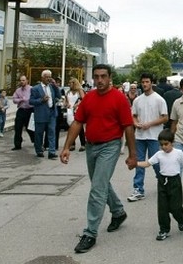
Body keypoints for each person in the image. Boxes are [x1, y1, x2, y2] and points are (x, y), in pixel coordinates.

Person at [59, 64, 137, 254]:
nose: (100, 80)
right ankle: (118, 212)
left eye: (103, 76)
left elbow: (128, 127)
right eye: (96, 77)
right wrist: (66, 146)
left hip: (110, 146)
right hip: (92, 147)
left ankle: (90, 233)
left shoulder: (119, 99)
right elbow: (78, 122)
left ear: (110, 77)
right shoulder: (89, 97)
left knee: (97, 189)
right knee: (99, 183)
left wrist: (132, 155)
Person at [137, 129, 183, 241]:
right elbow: (147, 163)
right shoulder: (159, 154)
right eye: (161, 145)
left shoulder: (178, 153)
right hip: (162, 181)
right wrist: (136, 163)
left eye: (166, 144)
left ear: (172, 142)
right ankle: (164, 229)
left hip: (175, 182)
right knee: (162, 208)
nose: (164, 147)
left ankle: (181, 220)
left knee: (175, 207)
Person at [128, 72, 169, 202]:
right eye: (143, 82)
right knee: (139, 162)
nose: (145, 84)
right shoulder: (137, 100)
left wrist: (149, 124)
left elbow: (165, 117)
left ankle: (164, 184)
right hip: (140, 136)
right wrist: (136, 123)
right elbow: (133, 115)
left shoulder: (159, 99)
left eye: (147, 82)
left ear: (152, 83)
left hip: (154, 136)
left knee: (157, 162)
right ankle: (138, 189)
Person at [29, 70, 62, 159]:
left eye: (49, 77)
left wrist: (55, 85)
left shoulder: (52, 87)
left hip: (52, 113)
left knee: (52, 132)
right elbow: (31, 101)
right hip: (41, 114)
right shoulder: (35, 88)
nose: (48, 79)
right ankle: (39, 150)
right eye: (47, 77)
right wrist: (41, 100)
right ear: (42, 77)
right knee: (39, 133)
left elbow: (59, 96)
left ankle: (51, 151)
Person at [11, 75, 35, 151]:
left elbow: (35, 98)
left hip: (30, 110)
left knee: (30, 128)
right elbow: (14, 99)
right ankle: (17, 144)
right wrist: (20, 99)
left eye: (23, 80)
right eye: (21, 80)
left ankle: (35, 140)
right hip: (21, 110)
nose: (22, 82)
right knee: (18, 127)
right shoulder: (18, 90)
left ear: (27, 81)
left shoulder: (32, 89)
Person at [66, 77, 87, 151]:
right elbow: (66, 100)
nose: (69, 84)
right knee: (71, 127)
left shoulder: (80, 91)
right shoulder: (68, 92)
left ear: (74, 83)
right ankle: (72, 144)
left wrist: (78, 104)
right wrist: (67, 104)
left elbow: (84, 99)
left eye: (70, 83)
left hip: (77, 110)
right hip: (70, 110)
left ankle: (83, 144)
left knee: (79, 127)